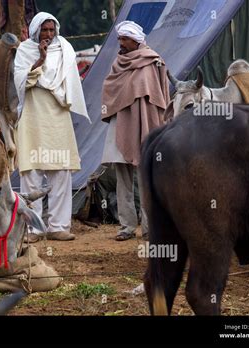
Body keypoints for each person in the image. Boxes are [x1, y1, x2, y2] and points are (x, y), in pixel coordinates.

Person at [14, 12, 90, 242]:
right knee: (31, 172)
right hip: (32, 116)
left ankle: (58, 226)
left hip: (57, 116)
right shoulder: (25, 50)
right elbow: (20, 82)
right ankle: (34, 229)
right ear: (36, 30)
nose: (48, 34)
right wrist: (39, 60)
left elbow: (69, 82)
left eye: (51, 30)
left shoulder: (65, 48)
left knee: (61, 172)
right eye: (44, 30)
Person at [101, 21, 170, 241]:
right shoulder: (118, 63)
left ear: (136, 40)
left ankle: (150, 226)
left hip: (146, 123)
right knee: (123, 176)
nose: (120, 43)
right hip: (121, 124)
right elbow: (109, 88)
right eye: (119, 39)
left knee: (146, 176)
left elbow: (161, 93)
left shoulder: (153, 61)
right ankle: (127, 226)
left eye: (124, 39)